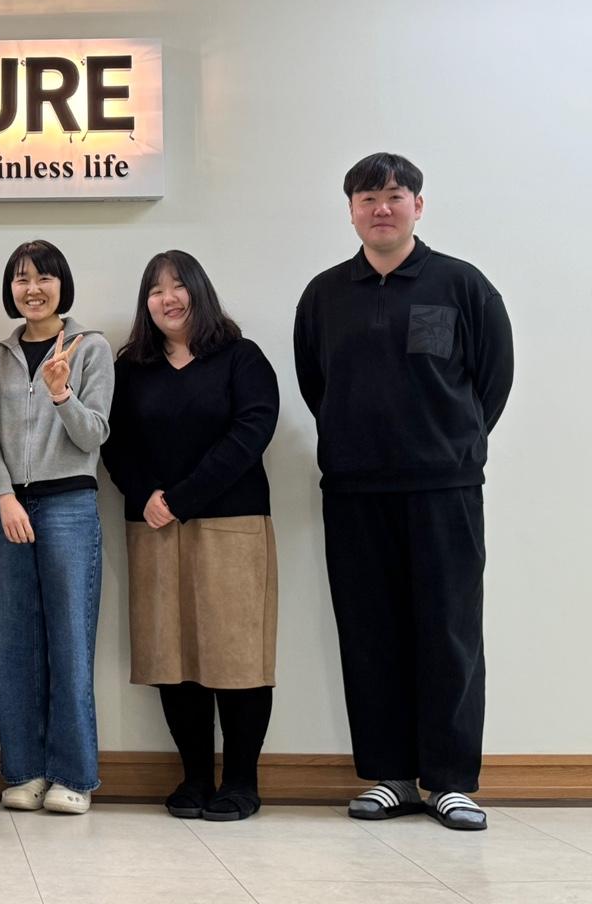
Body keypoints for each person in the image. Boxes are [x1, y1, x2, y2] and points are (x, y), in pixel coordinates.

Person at [294, 152, 513, 831]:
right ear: (351, 211)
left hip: (444, 489)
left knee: (449, 632)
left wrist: (447, 447)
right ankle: (390, 776)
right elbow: (316, 385)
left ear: (419, 205)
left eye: (394, 195)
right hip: (355, 491)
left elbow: (492, 382)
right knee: (370, 633)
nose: (380, 208)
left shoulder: (462, 285)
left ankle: (449, 781)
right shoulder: (325, 295)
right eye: (367, 198)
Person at [102, 250, 280, 821]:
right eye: (156, 290)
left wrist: (182, 498)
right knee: (171, 652)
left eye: (178, 286)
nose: (168, 298)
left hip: (232, 524)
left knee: (237, 652)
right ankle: (196, 778)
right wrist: (145, 496)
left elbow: (252, 430)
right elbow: (114, 442)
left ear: (198, 291)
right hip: (154, 525)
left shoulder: (240, 358)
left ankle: (242, 782)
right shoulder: (132, 368)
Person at [0, 240, 114, 815]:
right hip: (5, 507)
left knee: (70, 640)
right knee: (11, 642)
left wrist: (61, 393)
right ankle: (25, 770)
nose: (32, 289)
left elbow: (94, 434)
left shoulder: (91, 348)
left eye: (44, 278)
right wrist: (4, 497)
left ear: (62, 284)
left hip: (69, 505)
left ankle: (74, 776)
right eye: (21, 279)